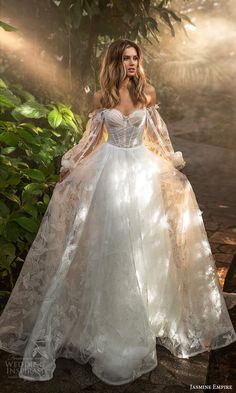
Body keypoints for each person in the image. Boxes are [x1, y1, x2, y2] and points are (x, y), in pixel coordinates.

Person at [0, 38, 235, 386]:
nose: (130, 63)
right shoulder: (102, 98)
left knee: (145, 242)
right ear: (113, 61)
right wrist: (71, 164)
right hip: (107, 172)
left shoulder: (147, 93)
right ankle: (106, 321)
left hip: (141, 174)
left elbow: (155, 134)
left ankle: (149, 313)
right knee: (111, 243)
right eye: (125, 58)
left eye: (134, 58)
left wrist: (171, 163)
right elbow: (92, 138)